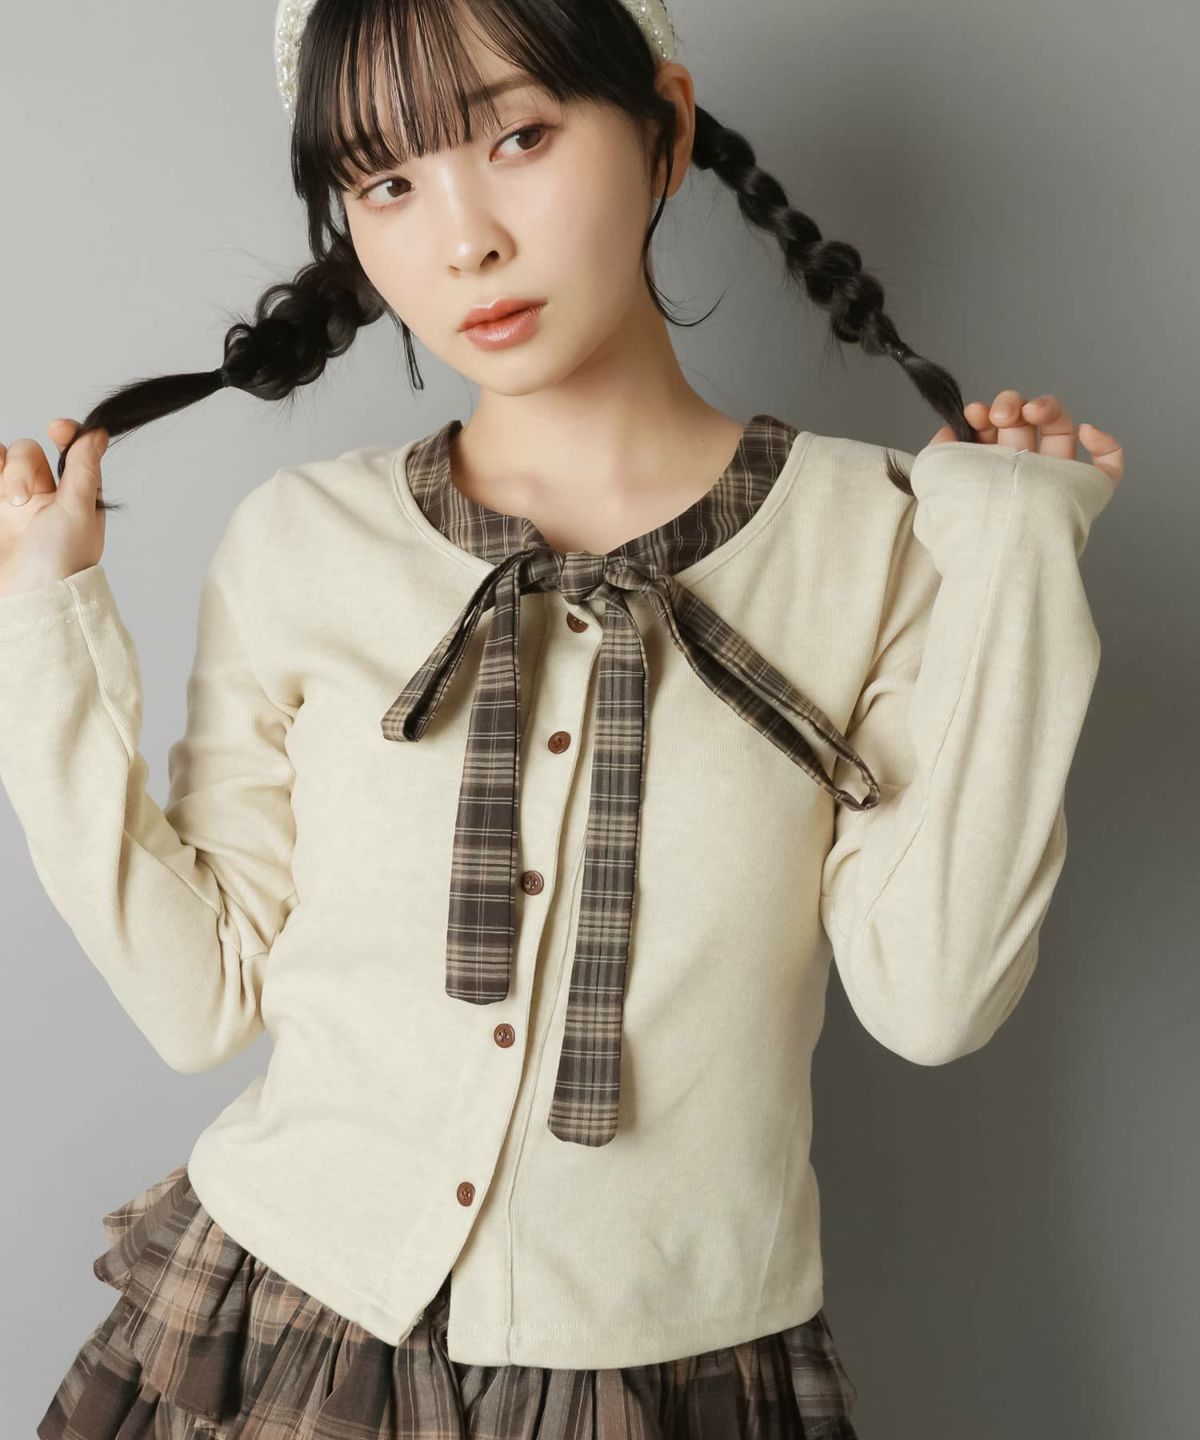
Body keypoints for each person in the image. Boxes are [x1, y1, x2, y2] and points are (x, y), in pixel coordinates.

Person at [0, 0, 1124, 1435]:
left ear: (663, 129)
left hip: (678, 1370)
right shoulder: (301, 542)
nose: (462, 241)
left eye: (519, 137)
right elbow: (198, 998)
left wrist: (1019, 556)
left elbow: (935, 996)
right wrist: (40, 625)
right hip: (289, 1335)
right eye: (386, 182)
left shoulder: (877, 539)